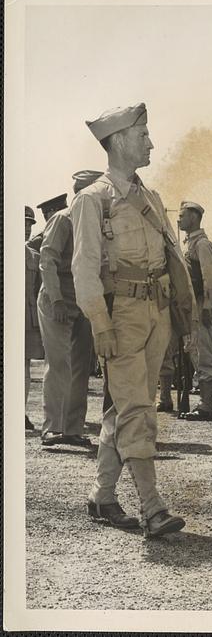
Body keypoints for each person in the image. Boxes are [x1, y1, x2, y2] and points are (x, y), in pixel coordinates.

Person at [71, 102, 188, 536]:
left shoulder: (151, 199)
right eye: (143, 136)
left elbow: (171, 260)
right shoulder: (94, 200)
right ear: (119, 141)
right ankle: (152, 507)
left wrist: (181, 318)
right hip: (121, 314)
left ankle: (103, 496)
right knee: (137, 407)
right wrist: (100, 324)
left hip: (156, 310)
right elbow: (84, 269)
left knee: (126, 405)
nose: (151, 143)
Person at [37, 175, 100, 448]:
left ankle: (72, 429)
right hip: (58, 300)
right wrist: (57, 300)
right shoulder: (63, 219)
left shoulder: (96, 221)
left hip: (84, 301)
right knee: (59, 363)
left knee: (80, 367)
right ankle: (53, 427)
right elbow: (47, 260)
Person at [179, 201, 212, 421]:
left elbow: (210, 278)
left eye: (183, 215)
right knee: (195, 351)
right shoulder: (189, 243)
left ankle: (207, 406)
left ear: (194, 217)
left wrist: (207, 306)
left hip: (201, 304)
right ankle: (204, 403)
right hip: (191, 305)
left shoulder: (202, 244)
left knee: (205, 353)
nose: (179, 219)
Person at [25, 205, 44, 431]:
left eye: (30, 224)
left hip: (26, 318)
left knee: (24, 368)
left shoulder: (34, 256)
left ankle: (21, 412)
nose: (27, 229)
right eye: (23, 223)